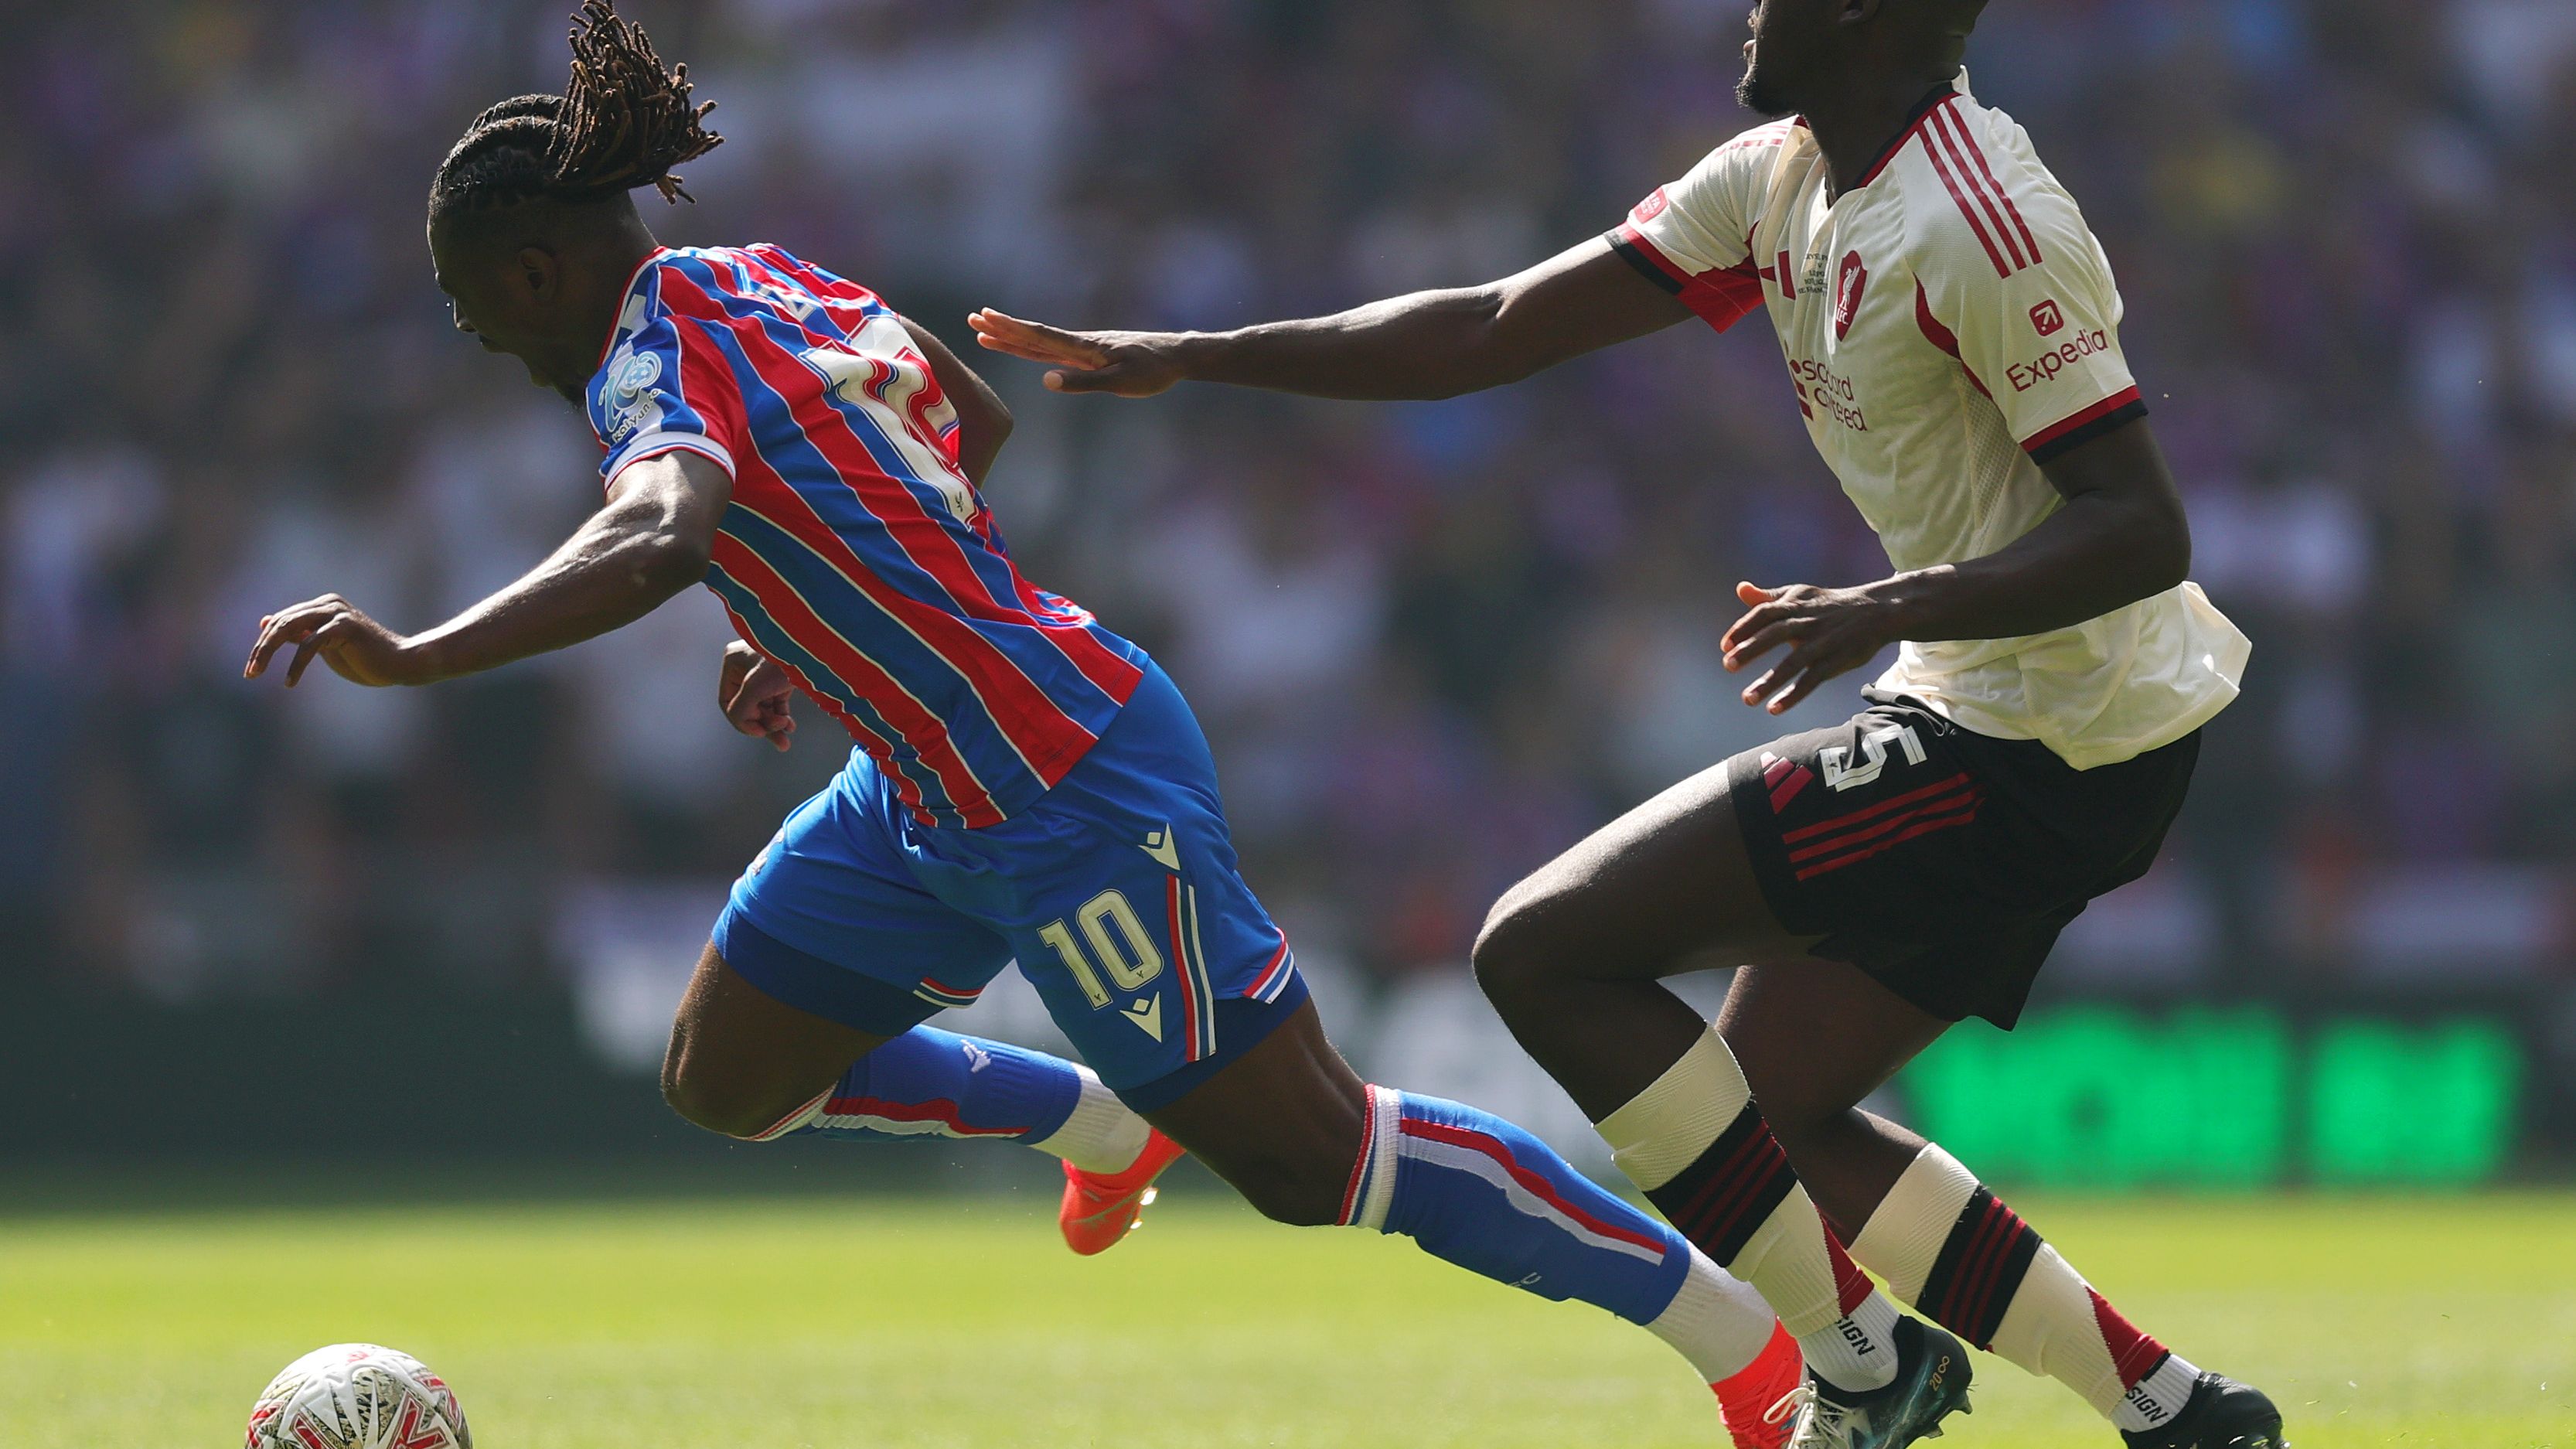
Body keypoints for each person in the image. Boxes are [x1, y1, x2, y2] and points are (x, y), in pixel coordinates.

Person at [240, 5, 1810, 1446]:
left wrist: (428, 655)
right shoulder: (763, 273)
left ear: (530, 272)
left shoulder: (643, 361)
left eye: (468, 310)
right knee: (726, 1074)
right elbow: (959, 418)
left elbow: (655, 530)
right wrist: (797, 615)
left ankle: (1751, 1349)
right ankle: (1094, 1116)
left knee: (1311, 1158)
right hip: (918, 786)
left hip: (1066, 777)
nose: (477, 342)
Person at [968, 3, 2284, 1447]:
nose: (1749, 7)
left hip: (2054, 734)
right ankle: (2174, 1411)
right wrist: (1201, 356)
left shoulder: (1983, 221)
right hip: (1993, 696)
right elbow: (1496, 324)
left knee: (1545, 952)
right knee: (1763, 1109)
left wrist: (1876, 606)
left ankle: (1855, 1366)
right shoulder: (1780, 176)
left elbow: (2143, 527)